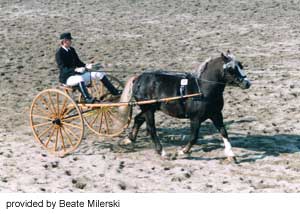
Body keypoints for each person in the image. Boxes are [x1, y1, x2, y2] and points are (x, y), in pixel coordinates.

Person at [55, 32, 121, 103]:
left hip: (77, 74)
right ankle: (88, 99)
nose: (71, 41)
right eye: (69, 40)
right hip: (67, 78)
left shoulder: (72, 50)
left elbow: (78, 62)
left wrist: (86, 65)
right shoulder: (59, 53)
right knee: (79, 79)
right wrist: (75, 69)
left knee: (99, 74)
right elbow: (63, 69)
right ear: (64, 41)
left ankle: (114, 92)